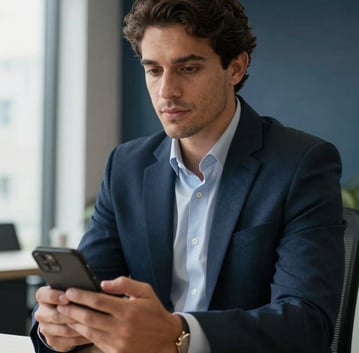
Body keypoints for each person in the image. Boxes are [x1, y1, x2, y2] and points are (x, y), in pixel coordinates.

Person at [30, 1, 346, 352]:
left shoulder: (301, 164)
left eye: (189, 68)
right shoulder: (126, 166)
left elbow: (307, 323)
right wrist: (56, 327)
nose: (167, 91)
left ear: (236, 68)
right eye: (153, 70)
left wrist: (179, 333)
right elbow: (89, 293)